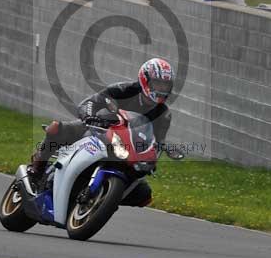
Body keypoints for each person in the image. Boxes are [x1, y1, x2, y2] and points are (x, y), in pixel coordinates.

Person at [27, 58, 175, 202]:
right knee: (56, 128)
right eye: (157, 83)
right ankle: (37, 169)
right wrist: (89, 116)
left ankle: (105, 199)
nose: (161, 89)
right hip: (100, 129)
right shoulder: (124, 90)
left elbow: (156, 141)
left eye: (165, 86)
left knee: (144, 195)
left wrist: (152, 158)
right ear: (145, 79)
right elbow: (92, 101)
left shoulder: (164, 114)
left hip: (127, 148)